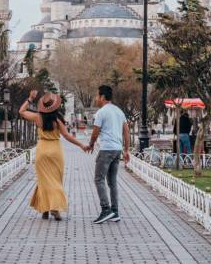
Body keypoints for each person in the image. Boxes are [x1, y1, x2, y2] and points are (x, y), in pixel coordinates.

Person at [19, 90, 85, 221]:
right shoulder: (58, 119)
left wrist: (30, 98)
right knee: (55, 180)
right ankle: (54, 208)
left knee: (43, 181)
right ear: (55, 106)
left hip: (42, 149)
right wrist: (81, 145)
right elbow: (67, 136)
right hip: (55, 150)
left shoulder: (37, 117)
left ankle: (45, 209)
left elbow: (21, 111)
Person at [84, 85, 130, 224]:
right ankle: (115, 212)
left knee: (99, 179)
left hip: (106, 150)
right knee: (112, 182)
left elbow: (95, 131)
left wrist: (91, 144)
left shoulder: (101, 112)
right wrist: (126, 150)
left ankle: (106, 210)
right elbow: (126, 131)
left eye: (98, 96)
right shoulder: (119, 111)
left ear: (102, 97)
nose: (96, 98)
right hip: (117, 150)